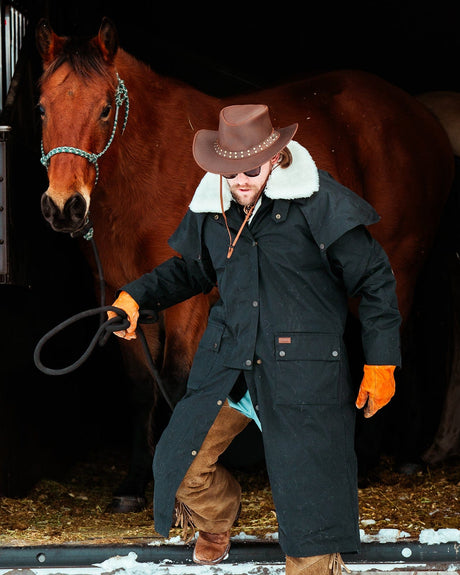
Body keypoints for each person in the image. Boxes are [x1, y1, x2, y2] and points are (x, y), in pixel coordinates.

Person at [108, 104, 401, 575]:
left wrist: (381, 362)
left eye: (249, 170)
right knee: (178, 464)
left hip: (302, 369)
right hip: (232, 363)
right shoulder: (215, 206)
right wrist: (134, 297)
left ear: (275, 157)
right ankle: (218, 518)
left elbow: (376, 281)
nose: (240, 180)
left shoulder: (318, 201)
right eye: (228, 171)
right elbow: (190, 270)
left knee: (311, 519)